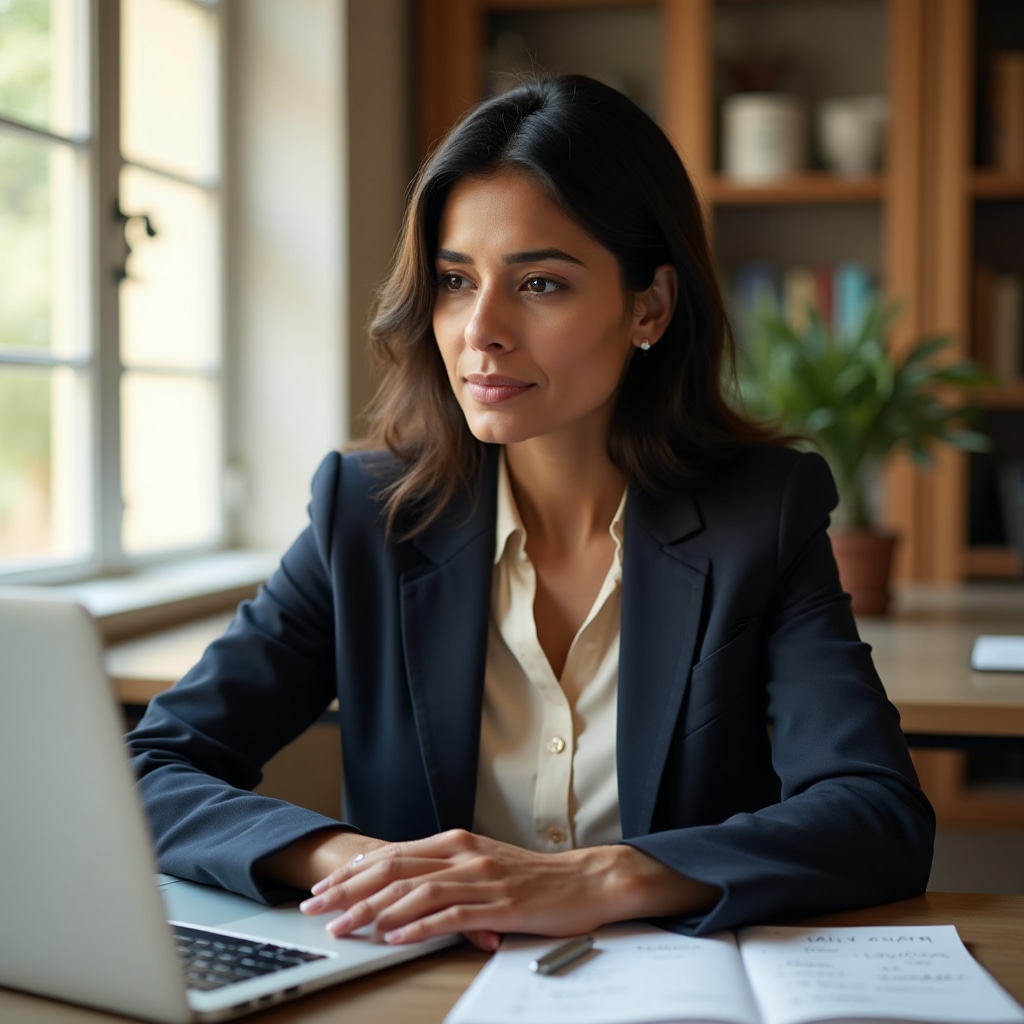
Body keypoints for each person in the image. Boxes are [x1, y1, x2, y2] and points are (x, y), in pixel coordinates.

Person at [127, 74, 934, 953]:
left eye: (540, 283)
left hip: (673, 995)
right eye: (454, 280)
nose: (482, 331)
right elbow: (150, 767)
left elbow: (875, 813)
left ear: (648, 307)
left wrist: (595, 878)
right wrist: (361, 863)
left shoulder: (760, 516)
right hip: (427, 993)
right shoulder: (365, 516)